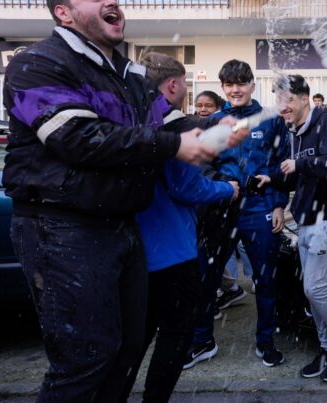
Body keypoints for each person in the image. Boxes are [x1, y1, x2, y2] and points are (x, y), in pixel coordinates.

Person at [2, 1, 239, 400]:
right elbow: (78, 137)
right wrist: (175, 144)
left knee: (125, 350)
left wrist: (215, 127)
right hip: (62, 228)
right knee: (86, 360)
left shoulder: (130, 75)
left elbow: (168, 124)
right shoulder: (37, 63)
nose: (112, 1)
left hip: (122, 226)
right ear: (63, 13)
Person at [120, 52, 240, 402]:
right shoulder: (180, 127)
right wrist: (226, 189)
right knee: (176, 332)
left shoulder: (133, 122)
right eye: (186, 84)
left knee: (136, 336)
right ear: (172, 84)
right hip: (172, 250)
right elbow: (186, 187)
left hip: (134, 247)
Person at [256, 74, 327, 382]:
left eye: (288, 99)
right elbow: (295, 174)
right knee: (311, 290)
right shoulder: (295, 132)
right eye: (278, 100)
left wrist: (301, 165)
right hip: (308, 217)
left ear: (305, 98)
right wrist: (272, 178)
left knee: (315, 286)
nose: (283, 106)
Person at [204, 59, 291, 367]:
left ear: (253, 84)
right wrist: (219, 185)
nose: (235, 89)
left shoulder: (271, 119)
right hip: (222, 208)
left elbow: (283, 161)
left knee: (266, 280)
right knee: (208, 277)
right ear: (223, 87)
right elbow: (203, 164)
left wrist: (279, 202)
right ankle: (203, 341)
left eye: (241, 83)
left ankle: (265, 341)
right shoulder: (213, 120)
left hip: (260, 207)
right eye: (229, 84)